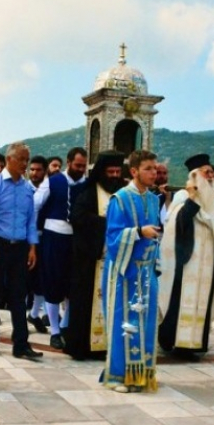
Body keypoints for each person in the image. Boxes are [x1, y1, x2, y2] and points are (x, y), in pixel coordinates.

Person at [157, 153, 214, 360]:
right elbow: (176, 225)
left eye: (211, 174)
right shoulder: (182, 196)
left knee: (200, 305)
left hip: (205, 264)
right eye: (206, 173)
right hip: (185, 261)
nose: (210, 177)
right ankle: (174, 343)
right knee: (179, 303)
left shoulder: (213, 201)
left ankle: (193, 345)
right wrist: (192, 200)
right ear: (196, 175)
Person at [0, 142, 42, 360]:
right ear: (9, 160)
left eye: (27, 160)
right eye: (21, 159)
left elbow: (31, 220)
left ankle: (21, 344)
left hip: (20, 246)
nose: (25, 164)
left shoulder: (27, 189)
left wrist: (32, 247)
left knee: (18, 295)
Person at [101, 150, 161, 393]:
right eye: (148, 168)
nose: (153, 173)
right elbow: (113, 236)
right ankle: (118, 376)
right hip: (124, 272)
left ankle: (141, 374)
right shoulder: (120, 199)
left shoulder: (156, 199)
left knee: (146, 323)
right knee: (124, 322)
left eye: (155, 168)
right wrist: (138, 232)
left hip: (146, 271)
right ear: (134, 171)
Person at [66, 150, 126, 360]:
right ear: (102, 172)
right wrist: (106, 223)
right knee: (84, 304)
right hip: (89, 260)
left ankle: (107, 347)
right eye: (110, 171)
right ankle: (82, 347)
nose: (114, 176)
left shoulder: (124, 192)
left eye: (118, 171)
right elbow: (78, 218)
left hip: (116, 260)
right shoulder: (88, 191)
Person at [34, 147, 87, 349]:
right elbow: (35, 205)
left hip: (78, 240)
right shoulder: (53, 181)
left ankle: (66, 325)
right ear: (68, 162)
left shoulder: (88, 184)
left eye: (83, 166)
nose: (80, 169)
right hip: (54, 237)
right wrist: (34, 236)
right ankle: (55, 330)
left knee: (74, 283)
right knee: (53, 282)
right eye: (77, 165)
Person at [25, 155, 49, 332]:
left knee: (42, 279)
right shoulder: (24, 189)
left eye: (38, 170)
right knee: (23, 281)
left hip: (44, 238)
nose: (34, 173)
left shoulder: (50, 189)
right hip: (25, 239)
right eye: (32, 169)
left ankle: (34, 314)